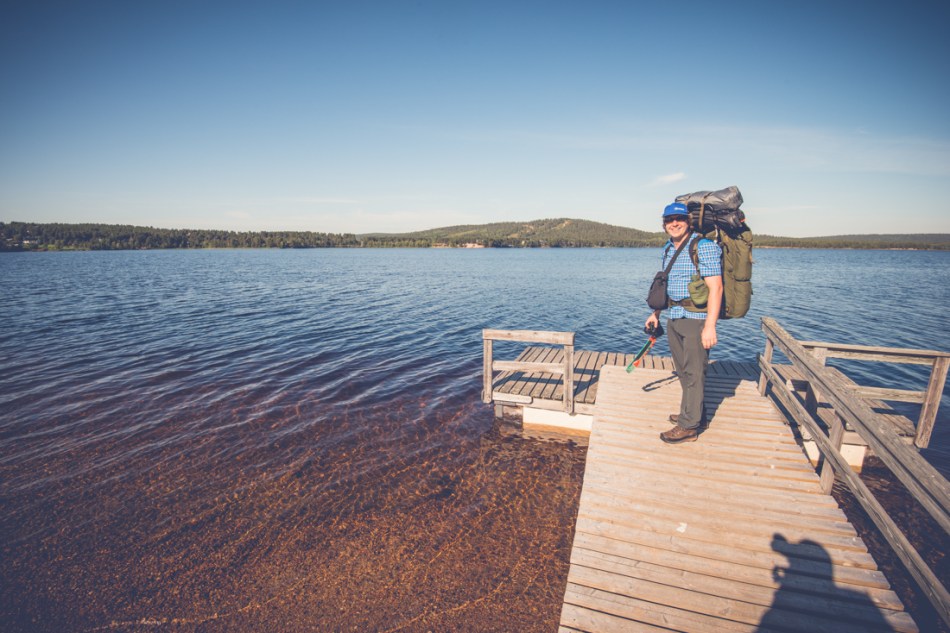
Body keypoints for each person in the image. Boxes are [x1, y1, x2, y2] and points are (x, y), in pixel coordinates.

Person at [646, 202, 723, 444]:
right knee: (683, 370)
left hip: (696, 319)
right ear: (664, 224)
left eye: (679, 219)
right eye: (669, 220)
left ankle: (689, 426)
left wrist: (710, 326)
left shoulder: (704, 247)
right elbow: (666, 284)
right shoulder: (668, 248)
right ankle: (694, 414)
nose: (674, 223)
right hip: (674, 316)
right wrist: (656, 314)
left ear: (688, 221)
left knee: (694, 372)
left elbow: (716, 288)